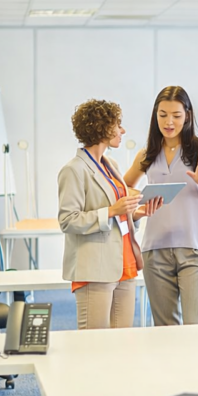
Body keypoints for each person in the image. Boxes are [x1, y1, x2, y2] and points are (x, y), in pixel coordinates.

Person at [125, 86, 198, 326]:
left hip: (195, 250)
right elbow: (122, 188)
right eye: (162, 115)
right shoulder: (147, 154)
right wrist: (140, 203)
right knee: (165, 330)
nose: (169, 122)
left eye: (176, 116)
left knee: (197, 325)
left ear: (188, 116)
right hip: (155, 250)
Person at [58, 99, 161, 330]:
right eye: (118, 124)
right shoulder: (73, 170)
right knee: (94, 347)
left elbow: (117, 214)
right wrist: (113, 210)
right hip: (95, 268)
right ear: (101, 127)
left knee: (123, 345)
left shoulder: (110, 164)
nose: (122, 130)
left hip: (124, 264)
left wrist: (136, 213)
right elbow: (67, 220)